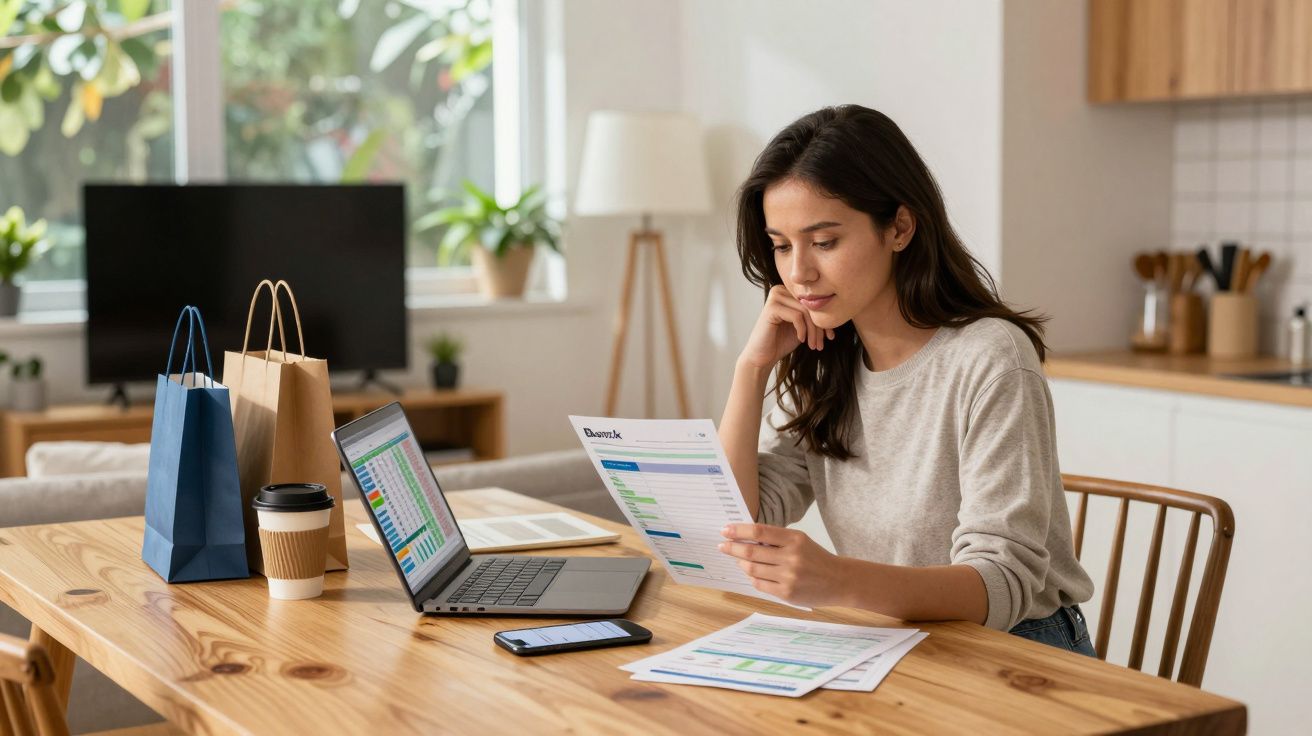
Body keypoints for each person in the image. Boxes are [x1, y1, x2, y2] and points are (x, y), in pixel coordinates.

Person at [716, 105, 1097, 656]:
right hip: (890, 636)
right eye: (781, 244)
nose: (798, 273)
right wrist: (750, 372)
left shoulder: (990, 358)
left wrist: (837, 580)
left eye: (824, 242)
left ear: (898, 227)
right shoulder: (823, 357)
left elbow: (1001, 582)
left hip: (1017, 647)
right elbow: (742, 525)